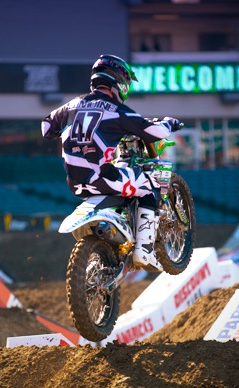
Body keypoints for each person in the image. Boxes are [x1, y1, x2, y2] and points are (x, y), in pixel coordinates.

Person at [41, 54, 181, 271]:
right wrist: (169, 123)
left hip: (75, 183)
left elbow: (46, 128)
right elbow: (154, 132)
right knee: (150, 184)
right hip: (102, 178)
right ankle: (144, 250)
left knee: (122, 178)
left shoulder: (71, 105)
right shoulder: (116, 110)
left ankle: (119, 234)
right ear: (119, 81)